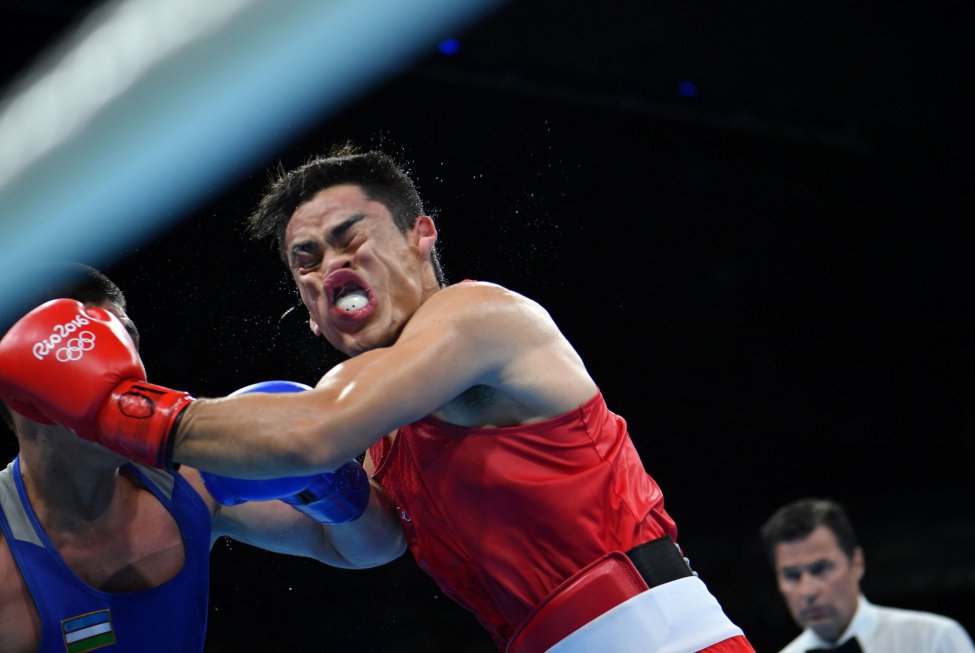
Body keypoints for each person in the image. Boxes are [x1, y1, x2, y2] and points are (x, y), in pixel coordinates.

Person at [0, 146, 755, 652]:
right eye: (307, 261)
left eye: (349, 238)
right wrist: (338, 496)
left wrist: (113, 408)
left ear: (422, 234)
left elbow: (312, 432)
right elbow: (373, 537)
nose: (331, 266)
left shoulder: (480, 316)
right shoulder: (383, 433)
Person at [0, 262, 405, 653]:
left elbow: (373, 547)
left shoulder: (188, 477)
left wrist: (325, 478)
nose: (127, 380)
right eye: (88, 356)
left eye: (124, 347)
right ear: (21, 392)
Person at [760, 497, 975, 652]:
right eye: (791, 576)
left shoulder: (932, 639)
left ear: (857, 562)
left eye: (821, 569)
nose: (808, 591)